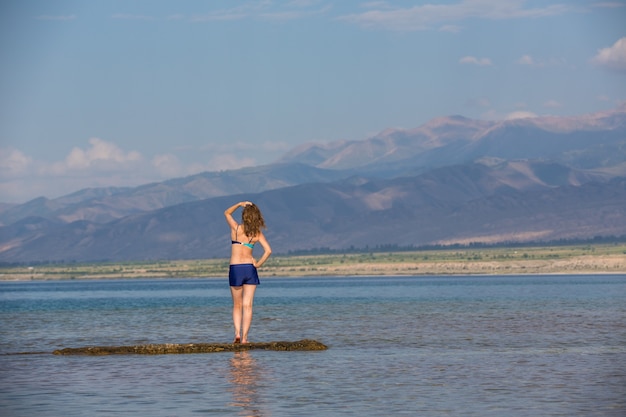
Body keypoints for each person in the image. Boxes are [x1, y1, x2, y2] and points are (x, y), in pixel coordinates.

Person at [224, 201, 272, 344]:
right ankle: (245, 338)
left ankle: (237, 334)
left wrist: (239, 204)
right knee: (248, 305)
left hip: (236, 268)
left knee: (237, 304)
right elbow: (268, 251)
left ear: (244, 216)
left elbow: (226, 213)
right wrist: (257, 264)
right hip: (249, 269)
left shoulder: (236, 229)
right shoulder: (257, 233)